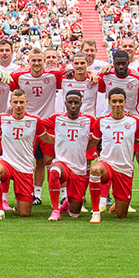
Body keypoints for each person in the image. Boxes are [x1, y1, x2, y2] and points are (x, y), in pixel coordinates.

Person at [88, 88, 139, 223]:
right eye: (114, 101)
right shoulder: (101, 121)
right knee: (95, 169)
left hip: (125, 169)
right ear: (109, 102)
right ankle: (96, 212)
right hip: (107, 165)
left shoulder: (134, 121)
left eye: (120, 101)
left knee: (121, 215)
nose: (117, 104)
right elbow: (92, 142)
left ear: (125, 102)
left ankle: (118, 203)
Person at [98, 50, 139, 210]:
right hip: (112, 121)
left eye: (124, 63)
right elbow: (99, 90)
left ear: (129, 62)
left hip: (135, 119)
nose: (120, 66)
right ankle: (106, 196)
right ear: (112, 62)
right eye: (117, 63)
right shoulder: (105, 76)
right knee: (110, 156)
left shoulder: (137, 78)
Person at [10, 48, 63, 205]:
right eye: (34, 60)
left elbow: (72, 71)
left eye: (40, 60)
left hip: (47, 124)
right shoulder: (19, 76)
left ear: (44, 61)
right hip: (27, 124)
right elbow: (11, 90)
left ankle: (60, 196)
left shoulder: (53, 75)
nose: (37, 63)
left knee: (49, 161)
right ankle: (33, 194)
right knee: (28, 160)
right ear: (29, 61)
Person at [0, 89, 52, 219]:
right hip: (7, 163)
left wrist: (66, 139)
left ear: (26, 103)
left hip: (25, 168)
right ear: (10, 103)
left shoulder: (35, 121)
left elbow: (47, 138)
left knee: (24, 213)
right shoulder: (2, 118)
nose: (18, 105)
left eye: (21, 102)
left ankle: (19, 203)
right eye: (15, 102)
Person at [44, 90, 95, 221]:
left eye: (76, 103)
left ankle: (68, 200)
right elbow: (36, 123)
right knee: (54, 171)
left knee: (75, 213)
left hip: (79, 169)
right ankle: (55, 210)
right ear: (65, 103)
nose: (73, 105)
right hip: (62, 164)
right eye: (70, 102)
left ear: (81, 104)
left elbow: (103, 128)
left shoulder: (89, 120)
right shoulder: (57, 118)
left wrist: (87, 145)